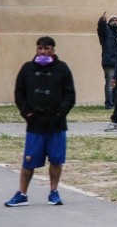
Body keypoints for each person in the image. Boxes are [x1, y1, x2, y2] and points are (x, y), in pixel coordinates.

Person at [5, 36, 76, 207]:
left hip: (56, 124)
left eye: (46, 48)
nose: (43, 51)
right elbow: (19, 93)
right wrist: (27, 113)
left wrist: (60, 112)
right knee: (29, 161)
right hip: (35, 124)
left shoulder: (62, 69)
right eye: (40, 48)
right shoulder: (27, 69)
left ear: (53, 50)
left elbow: (70, 94)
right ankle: (22, 194)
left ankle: (54, 192)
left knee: (56, 160)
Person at [96, 12, 117, 109]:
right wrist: (102, 21)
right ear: (109, 22)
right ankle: (109, 104)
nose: (114, 22)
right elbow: (100, 29)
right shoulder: (106, 31)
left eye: (116, 20)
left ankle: (114, 102)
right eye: (112, 20)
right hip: (109, 62)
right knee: (110, 83)